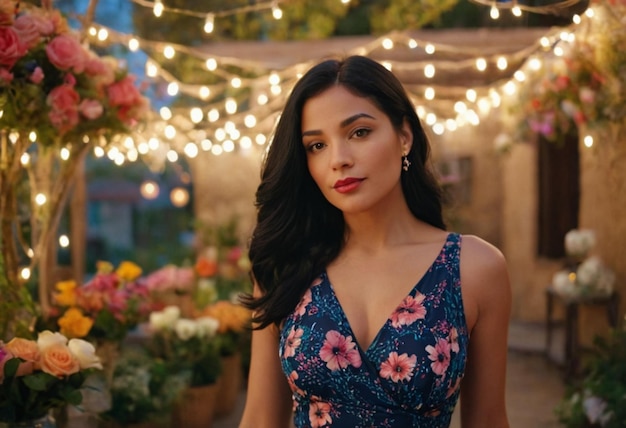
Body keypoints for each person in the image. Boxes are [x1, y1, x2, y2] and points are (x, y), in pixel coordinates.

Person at [239, 55, 511, 428]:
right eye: (316, 146)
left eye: (359, 132)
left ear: (404, 136)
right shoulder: (285, 265)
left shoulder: (473, 268)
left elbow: (489, 420)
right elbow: (259, 420)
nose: (339, 159)